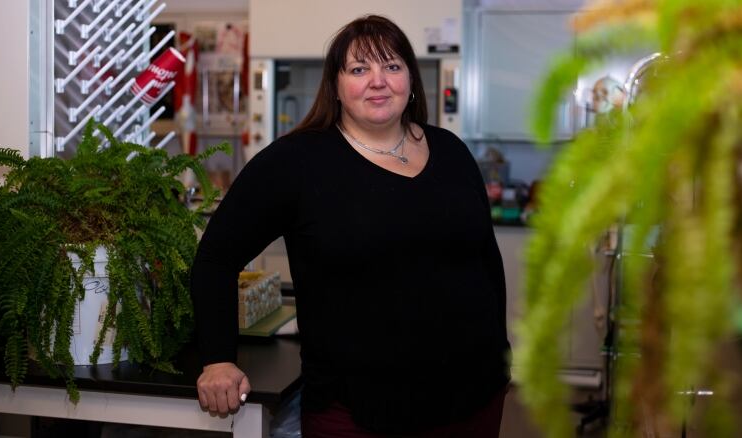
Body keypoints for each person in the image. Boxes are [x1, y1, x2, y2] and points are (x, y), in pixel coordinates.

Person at [190, 15, 511, 437]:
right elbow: (216, 256)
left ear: (411, 81)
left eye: (392, 67)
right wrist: (217, 358)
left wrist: (499, 354)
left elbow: (486, 259)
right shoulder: (296, 163)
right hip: (359, 412)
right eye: (360, 69)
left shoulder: (450, 151)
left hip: (474, 400)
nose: (378, 81)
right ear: (336, 87)